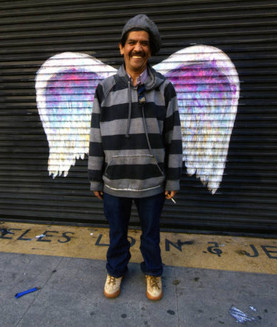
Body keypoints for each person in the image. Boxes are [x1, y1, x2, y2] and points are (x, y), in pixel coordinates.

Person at [88, 14, 183, 301]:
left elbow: (173, 136)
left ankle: (153, 272)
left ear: (150, 50)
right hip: (114, 180)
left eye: (144, 43)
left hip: (152, 181)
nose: (137, 48)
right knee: (117, 233)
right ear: (121, 48)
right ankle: (116, 270)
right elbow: (95, 136)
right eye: (132, 42)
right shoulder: (105, 88)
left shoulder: (164, 88)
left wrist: (173, 179)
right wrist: (95, 177)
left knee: (151, 235)